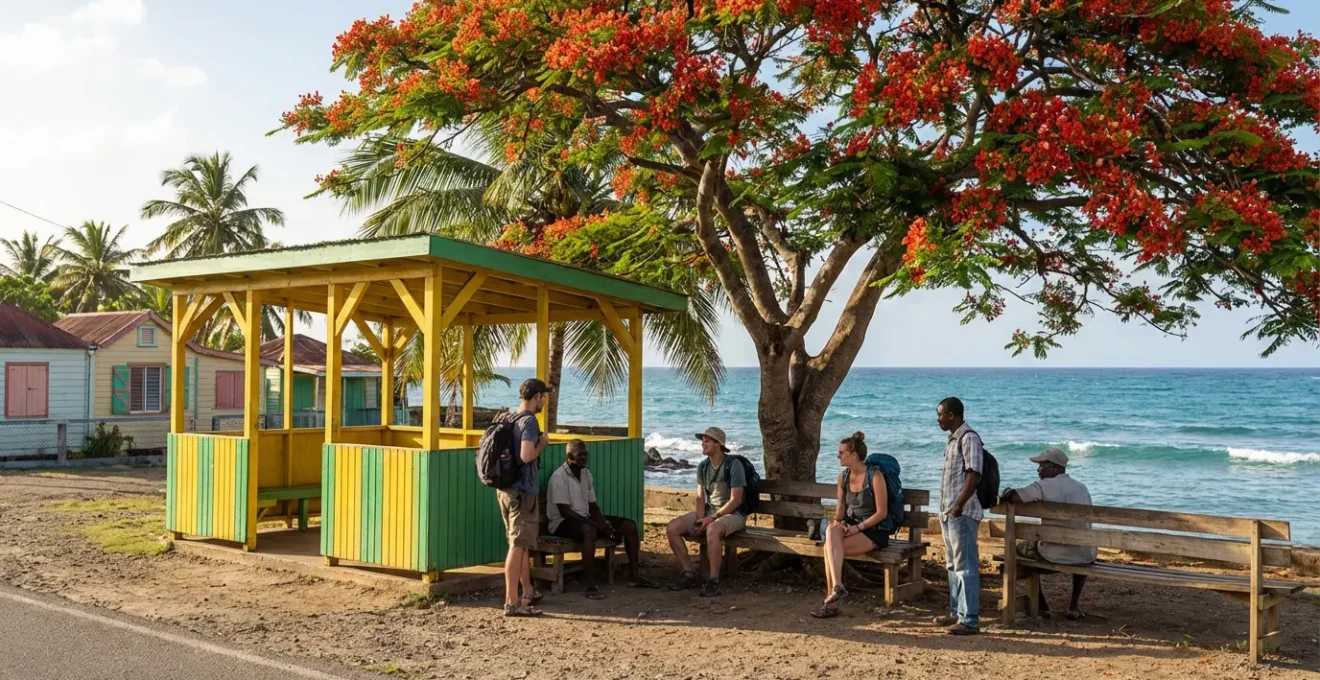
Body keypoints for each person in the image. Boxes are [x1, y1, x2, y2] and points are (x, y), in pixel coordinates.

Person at [547, 439, 658, 598]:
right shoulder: (559, 477)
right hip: (562, 523)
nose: (585, 458)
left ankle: (635, 576)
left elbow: (593, 506)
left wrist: (602, 522)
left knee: (629, 526)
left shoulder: (586, 474)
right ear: (570, 456)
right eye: (580, 455)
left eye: (586, 454)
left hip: (584, 518)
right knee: (589, 530)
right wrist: (594, 524)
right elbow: (565, 512)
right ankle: (589, 585)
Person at [1001, 448, 1097, 620]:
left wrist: (1008, 491)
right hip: (1085, 553)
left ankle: (1042, 606)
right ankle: (1073, 606)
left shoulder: (1044, 485)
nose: (1038, 471)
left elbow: (1016, 497)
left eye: (1042, 466)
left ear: (1055, 468)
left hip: (1052, 553)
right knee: (1081, 548)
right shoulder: (1082, 488)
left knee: (1017, 552)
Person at [811, 431, 889, 618]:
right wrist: (838, 525)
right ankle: (837, 588)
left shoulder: (874, 476)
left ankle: (830, 603)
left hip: (873, 530)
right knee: (831, 532)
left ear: (854, 455)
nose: (838, 456)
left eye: (842, 452)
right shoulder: (843, 477)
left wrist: (857, 528)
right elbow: (840, 510)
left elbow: (882, 513)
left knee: (828, 549)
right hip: (851, 527)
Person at [664, 426, 745, 598]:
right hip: (709, 513)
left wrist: (712, 518)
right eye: (703, 440)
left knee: (713, 529)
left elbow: (735, 500)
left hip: (733, 515)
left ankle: (713, 581)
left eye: (707, 440)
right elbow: (700, 497)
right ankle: (688, 573)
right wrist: (701, 518)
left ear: (718, 444)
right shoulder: (703, 466)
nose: (703, 443)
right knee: (672, 528)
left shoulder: (733, 465)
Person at [500, 378, 552, 617]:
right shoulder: (530, 421)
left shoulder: (509, 417)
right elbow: (526, 455)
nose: (544, 401)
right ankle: (512, 603)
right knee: (518, 545)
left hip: (506, 490)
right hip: (522, 492)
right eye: (543, 396)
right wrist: (541, 443)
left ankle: (527, 591)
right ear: (536, 397)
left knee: (519, 546)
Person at [935, 396, 983, 635]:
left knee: (966, 566)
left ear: (952, 415)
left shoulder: (969, 438)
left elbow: (973, 475)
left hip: (962, 513)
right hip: (949, 512)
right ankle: (956, 612)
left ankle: (970, 619)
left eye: (940, 414)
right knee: (952, 565)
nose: (938, 419)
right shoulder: (953, 440)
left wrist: (957, 506)